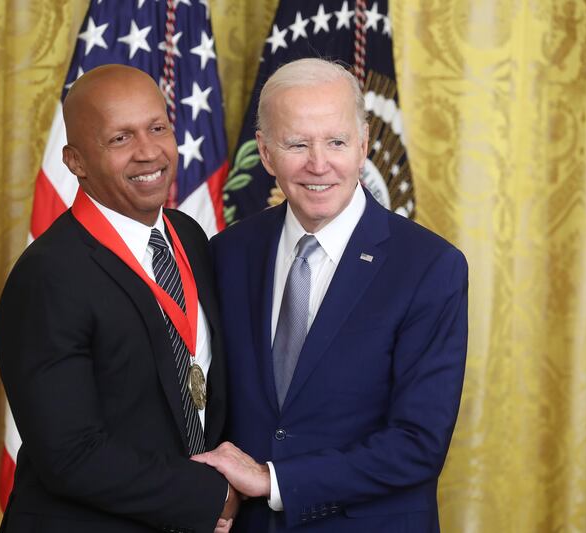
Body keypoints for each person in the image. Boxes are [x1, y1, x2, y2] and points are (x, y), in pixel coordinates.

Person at [194, 58, 468, 532]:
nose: (318, 164)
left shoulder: (429, 267)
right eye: (297, 143)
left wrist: (274, 480)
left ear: (363, 146)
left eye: (336, 142)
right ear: (264, 152)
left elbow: (417, 444)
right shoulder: (227, 254)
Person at [0, 64, 236, 533]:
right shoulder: (48, 276)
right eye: (120, 139)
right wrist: (210, 496)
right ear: (76, 162)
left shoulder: (188, 236)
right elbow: (70, 453)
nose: (149, 152)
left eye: (157, 128)